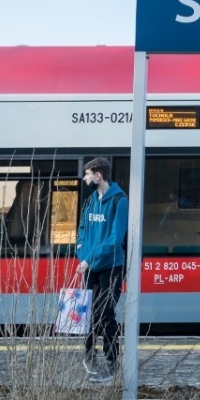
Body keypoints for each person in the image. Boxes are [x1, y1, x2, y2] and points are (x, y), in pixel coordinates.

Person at [76, 157, 128, 380]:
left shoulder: (119, 201)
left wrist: (91, 258)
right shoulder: (90, 201)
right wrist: (82, 252)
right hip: (90, 265)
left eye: (87, 174)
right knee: (87, 312)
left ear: (98, 176)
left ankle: (112, 359)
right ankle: (88, 353)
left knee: (106, 312)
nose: (84, 177)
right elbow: (82, 229)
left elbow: (116, 239)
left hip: (110, 267)